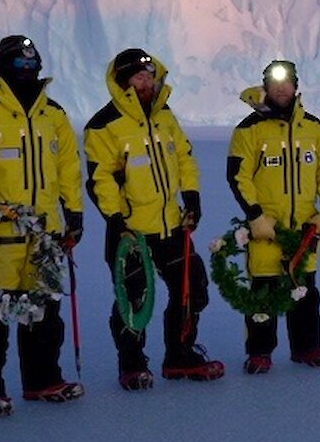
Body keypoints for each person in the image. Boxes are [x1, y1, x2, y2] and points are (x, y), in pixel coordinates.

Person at [0, 35, 87, 417]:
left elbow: (68, 168)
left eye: (32, 63)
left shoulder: (53, 113)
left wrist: (72, 213)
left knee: (44, 310)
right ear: (2, 65)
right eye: (19, 63)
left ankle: (43, 379)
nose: (27, 70)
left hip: (43, 233)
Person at [83, 48, 222, 390]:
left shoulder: (164, 116)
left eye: (150, 76)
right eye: (138, 77)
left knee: (193, 287)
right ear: (123, 81)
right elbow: (101, 178)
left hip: (172, 223)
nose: (146, 83)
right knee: (134, 299)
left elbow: (185, 157)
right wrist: (115, 220)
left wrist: (191, 196)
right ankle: (131, 365)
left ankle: (180, 356)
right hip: (132, 230)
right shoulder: (103, 125)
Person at [227, 59, 320, 375]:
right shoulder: (248, 129)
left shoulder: (314, 128)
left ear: (296, 86)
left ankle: (306, 348)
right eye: (274, 83)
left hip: (304, 229)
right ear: (265, 87)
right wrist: (255, 216)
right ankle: (260, 352)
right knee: (262, 293)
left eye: (286, 82)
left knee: (305, 292)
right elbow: (238, 176)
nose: (281, 88)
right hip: (266, 228)